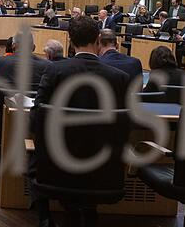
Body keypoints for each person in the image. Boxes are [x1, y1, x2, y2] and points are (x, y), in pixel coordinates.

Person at [31, 16, 130, 225]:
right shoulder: (119, 77)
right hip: (102, 170)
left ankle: (52, 216)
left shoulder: (54, 71)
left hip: (57, 167)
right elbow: (124, 126)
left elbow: (37, 115)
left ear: (70, 40)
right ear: (97, 39)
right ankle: (85, 210)